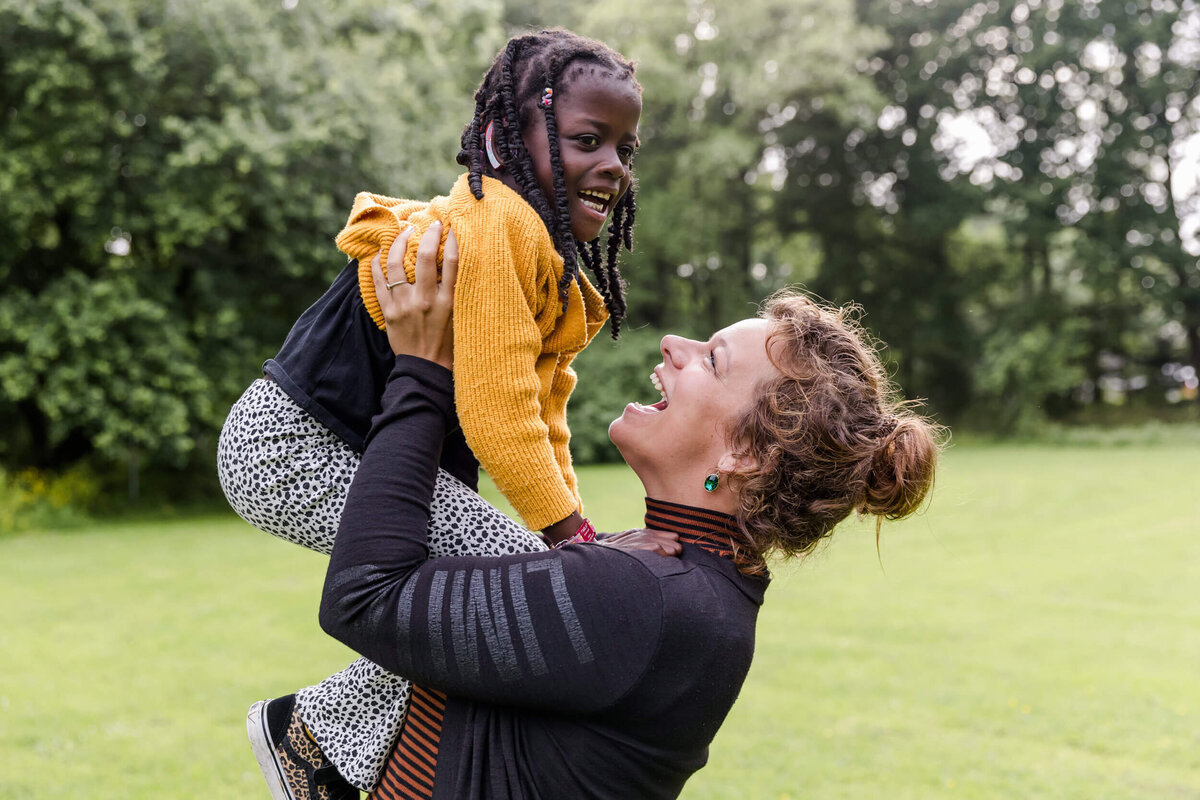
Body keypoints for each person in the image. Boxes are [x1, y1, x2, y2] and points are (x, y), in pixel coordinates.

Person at [308, 237, 942, 799]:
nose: (673, 344)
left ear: (745, 454)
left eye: (712, 360)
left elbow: (364, 596)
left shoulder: (648, 599)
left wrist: (421, 372)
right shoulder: (684, 583)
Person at [219, 29, 644, 795]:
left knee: (486, 597)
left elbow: (544, 412)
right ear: (503, 138)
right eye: (588, 139)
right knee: (517, 580)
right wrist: (568, 541)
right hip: (291, 444)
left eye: (625, 147)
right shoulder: (497, 224)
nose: (613, 164)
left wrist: (578, 533)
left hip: (332, 453)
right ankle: (311, 732)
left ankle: (321, 738)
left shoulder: (544, 260)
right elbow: (497, 411)